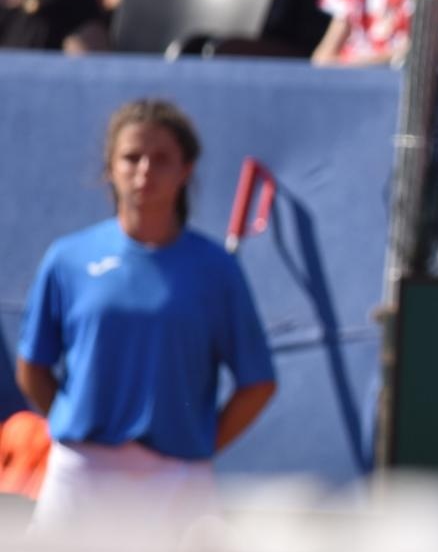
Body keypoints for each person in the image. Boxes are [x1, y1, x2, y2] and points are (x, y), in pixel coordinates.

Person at [14, 98, 277, 525]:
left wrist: (195, 446)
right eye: (131, 157)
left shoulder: (216, 269)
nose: (145, 171)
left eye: (161, 159)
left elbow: (258, 382)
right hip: (80, 476)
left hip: (179, 480)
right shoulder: (67, 259)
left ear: (186, 170)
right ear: (110, 167)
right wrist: (77, 425)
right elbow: (32, 368)